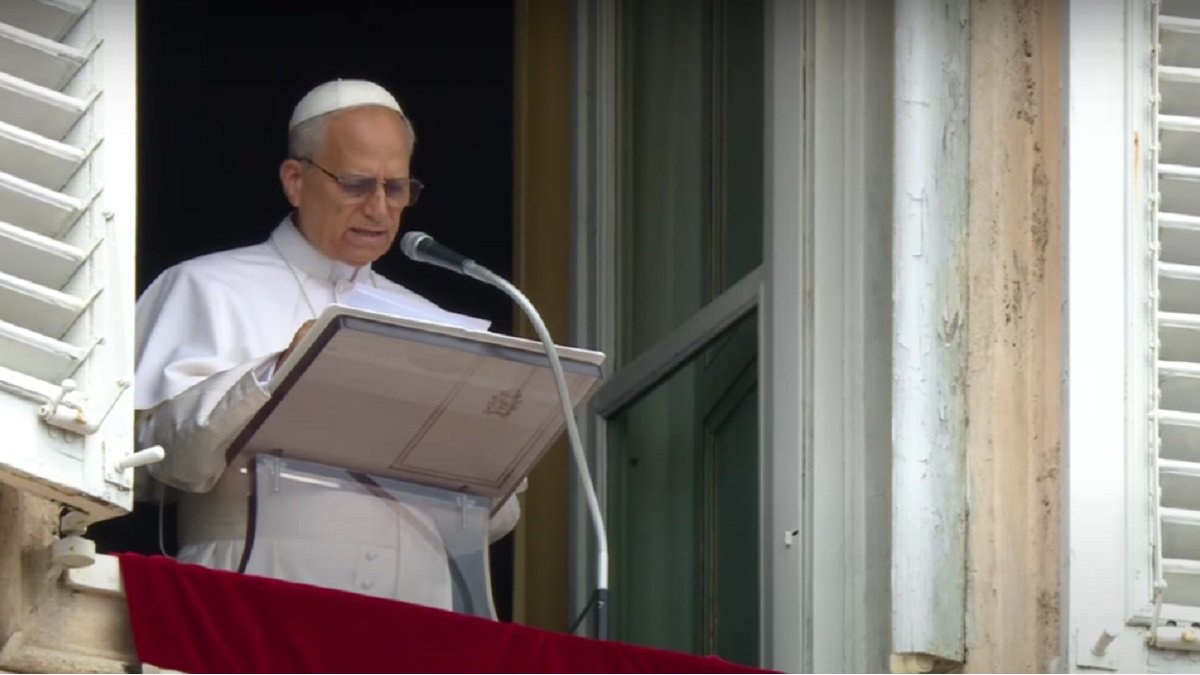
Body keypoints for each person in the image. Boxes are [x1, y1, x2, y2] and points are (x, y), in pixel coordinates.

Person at [133, 79, 521, 610]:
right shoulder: (206, 287)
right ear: (295, 181)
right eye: (357, 185)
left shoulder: (434, 322)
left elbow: (495, 520)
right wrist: (275, 374)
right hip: (257, 594)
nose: (380, 209)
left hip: (418, 611)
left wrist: (490, 443)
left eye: (396, 188)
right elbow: (157, 461)